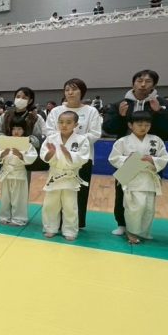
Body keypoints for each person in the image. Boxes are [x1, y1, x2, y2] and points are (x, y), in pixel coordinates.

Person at [103, 69, 168, 236]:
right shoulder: (121, 104)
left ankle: (143, 229)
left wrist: (160, 113)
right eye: (139, 80)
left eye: (148, 81)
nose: (143, 84)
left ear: (154, 85)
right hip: (128, 155)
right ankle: (122, 224)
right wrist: (120, 116)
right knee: (123, 193)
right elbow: (108, 128)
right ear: (133, 83)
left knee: (147, 196)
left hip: (149, 156)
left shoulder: (163, 104)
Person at [44, 78, 102, 228]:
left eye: (74, 89)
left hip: (81, 157)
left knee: (78, 193)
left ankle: (75, 224)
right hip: (58, 157)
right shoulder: (56, 111)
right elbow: (49, 131)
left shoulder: (91, 111)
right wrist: (63, 141)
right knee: (56, 192)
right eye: (67, 90)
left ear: (82, 92)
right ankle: (55, 223)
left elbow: (95, 134)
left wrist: (75, 140)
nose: (70, 92)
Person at [108, 112, 168, 245]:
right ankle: (131, 232)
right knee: (134, 206)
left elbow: (164, 157)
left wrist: (152, 159)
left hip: (149, 176)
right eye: (140, 124)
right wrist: (127, 158)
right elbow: (113, 158)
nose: (143, 127)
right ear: (131, 125)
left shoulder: (156, 140)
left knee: (148, 207)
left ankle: (143, 232)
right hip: (131, 173)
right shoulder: (123, 141)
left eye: (147, 125)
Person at [41, 111, 91, 241]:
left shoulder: (82, 140)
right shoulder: (51, 138)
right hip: (55, 175)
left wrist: (68, 154)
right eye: (61, 122)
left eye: (68, 122)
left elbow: (83, 158)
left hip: (70, 177)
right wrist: (51, 153)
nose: (64, 125)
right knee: (50, 204)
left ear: (76, 124)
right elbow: (44, 156)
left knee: (70, 206)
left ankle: (70, 230)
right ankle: (50, 228)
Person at [0, 122, 37, 227]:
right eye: (14, 129)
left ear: (23, 131)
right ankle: (4, 216)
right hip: (6, 172)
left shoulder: (27, 144)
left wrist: (21, 155)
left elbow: (32, 157)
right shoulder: (5, 142)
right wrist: (2, 154)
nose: (16, 131)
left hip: (19, 173)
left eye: (19, 129)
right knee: (5, 197)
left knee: (19, 197)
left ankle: (19, 219)